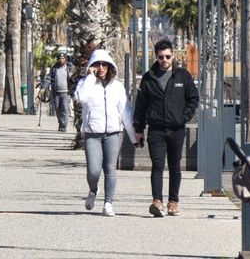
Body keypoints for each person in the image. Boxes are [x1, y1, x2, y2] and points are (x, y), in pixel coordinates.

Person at [133, 39, 199, 218]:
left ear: (173, 56)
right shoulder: (148, 77)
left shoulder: (183, 76)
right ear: (156, 57)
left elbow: (193, 99)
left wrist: (183, 117)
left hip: (177, 129)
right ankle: (157, 201)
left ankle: (173, 202)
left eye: (168, 56)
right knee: (157, 165)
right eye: (161, 57)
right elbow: (140, 105)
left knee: (175, 167)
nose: (164, 60)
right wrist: (138, 130)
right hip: (156, 130)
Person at [74, 48, 136, 217]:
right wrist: (89, 77)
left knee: (110, 169)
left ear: (110, 67)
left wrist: (133, 137)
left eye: (104, 64)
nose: (101, 67)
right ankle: (93, 189)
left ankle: (108, 203)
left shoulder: (117, 86)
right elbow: (80, 98)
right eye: (97, 64)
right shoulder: (85, 83)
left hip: (113, 133)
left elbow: (126, 111)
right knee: (93, 171)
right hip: (92, 133)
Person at [42, 52, 74, 131]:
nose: (61, 60)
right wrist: (44, 86)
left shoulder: (69, 68)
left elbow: (73, 78)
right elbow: (48, 78)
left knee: (65, 109)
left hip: (66, 92)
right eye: (59, 58)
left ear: (65, 59)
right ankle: (60, 122)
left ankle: (63, 125)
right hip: (56, 92)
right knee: (57, 109)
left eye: (62, 58)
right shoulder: (54, 68)